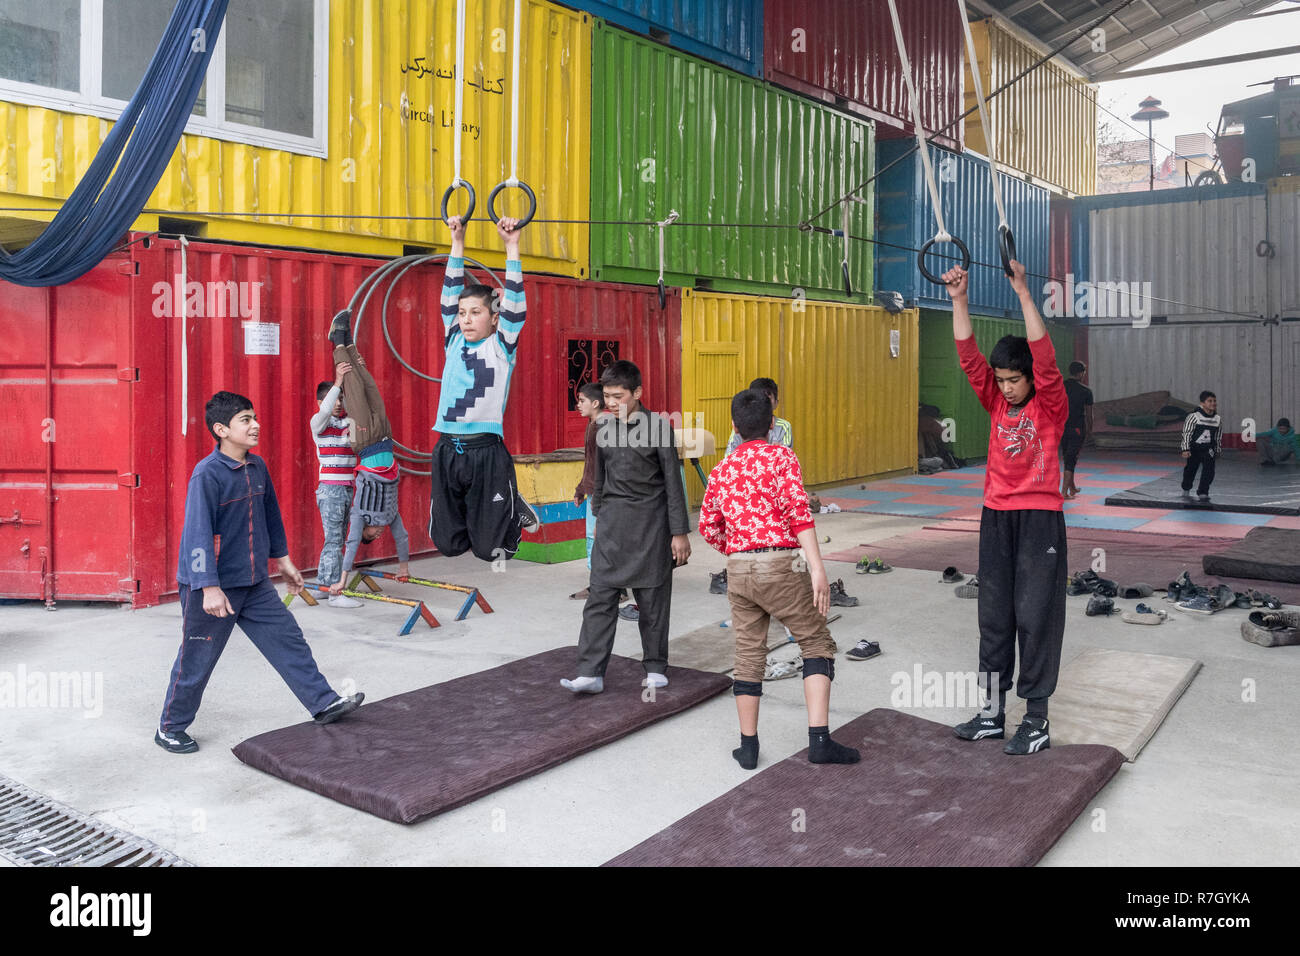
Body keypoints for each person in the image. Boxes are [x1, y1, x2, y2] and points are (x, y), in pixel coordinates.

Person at [156, 391, 364, 755]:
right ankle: (170, 728)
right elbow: (197, 536)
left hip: (254, 582)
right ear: (221, 430)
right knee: (197, 659)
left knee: (289, 640)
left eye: (254, 417)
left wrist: (282, 561)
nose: (256, 425)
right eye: (245, 420)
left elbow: (270, 516)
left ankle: (322, 702)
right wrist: (208, 588)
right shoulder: (207, 475)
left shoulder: (257, 467)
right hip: (213, 587)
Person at [943, 261, 1068, 756]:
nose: (1008, 387)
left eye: (1015, 379)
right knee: (994, 616)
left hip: (1040, 520)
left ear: (1030, 378)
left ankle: (1036, 718)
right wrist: (958, 300)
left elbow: (1044, 354)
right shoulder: (996, 402)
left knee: (1036, 615)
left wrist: (1022, 291)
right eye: (1002, 380)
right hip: (995, 516)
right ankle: (993, 714)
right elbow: (968, 356)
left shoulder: (1050, 403)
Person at [700, 388, 860, 770]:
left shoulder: (722, 470)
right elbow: (798, 512)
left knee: (749, 654)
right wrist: (818, 568)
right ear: (772, 425)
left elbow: (709, 526)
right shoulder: (782, 457)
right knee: (816, 641)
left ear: (734, 428)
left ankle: (748, 747)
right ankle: (819, 742)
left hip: (738, 569)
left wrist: (738, 549)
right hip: (782, 565)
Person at [560, 360, 691, 693]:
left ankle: (656, 666)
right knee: (600, 597)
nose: (612, 403)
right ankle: (590, 672)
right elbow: (599, 479)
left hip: (651, 525)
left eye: (618, 396)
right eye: (606, 396)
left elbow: (673, 484)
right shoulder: (602, 428)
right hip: (612, 526)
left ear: (638, 393)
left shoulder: (659, 427)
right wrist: (599, 515)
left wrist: (679, 533)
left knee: (652, 601)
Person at [427, 214, 540, 562]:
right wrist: (457, 241)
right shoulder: (453, 339)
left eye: (475, 313)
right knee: (447, 544)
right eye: (462, 313)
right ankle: (508, 501)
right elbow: (449, 292)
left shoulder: (501, 346)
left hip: (486, 451)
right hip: (447, 447)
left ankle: (510, 510)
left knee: (489, 551)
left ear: (493, 317)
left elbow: (516, 307)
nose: (465, 319)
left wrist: (512, 246)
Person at [318, 333, 412, 591]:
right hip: (385, 438)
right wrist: (404, 568)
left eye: (371, 536)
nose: (378, 535)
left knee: (355, 389)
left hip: (365, 441)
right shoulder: (390, 515)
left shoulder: (359, 515)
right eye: (376, 536)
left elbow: (350, 546)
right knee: (370, 387)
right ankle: (349, 343)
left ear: (365, 531)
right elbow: (402, 537)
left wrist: (342, 581)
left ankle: (337, 341)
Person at [310, 369, 361, 607]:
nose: (339, 403)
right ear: (322, 402)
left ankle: (323, 583)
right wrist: (338, 383)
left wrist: (350, 385)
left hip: (347, 487)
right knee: (333, 540)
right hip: (330, 489)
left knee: (337, 539)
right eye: (334, 399)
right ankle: (334, 592)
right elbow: (325, 411)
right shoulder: (318, 423)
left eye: (342, 399)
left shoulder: (348, 423)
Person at [570, 382, 608, 599]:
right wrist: (580, 489)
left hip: (602, 494)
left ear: (595, 403)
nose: (578, 405)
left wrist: (599, 495)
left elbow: (605, 467)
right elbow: (590, 464)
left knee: (597, 538)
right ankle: (601, 585)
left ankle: (606, 587)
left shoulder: (604, 427)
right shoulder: (592, 424)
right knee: (594, 538)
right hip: (594, 491)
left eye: (582, 401)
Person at [724, 377, 792, 456]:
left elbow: (786, 456)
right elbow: (729, 455)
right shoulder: (741, 424)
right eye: (758, 399)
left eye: (767, 400)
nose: (762, 403)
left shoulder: (784, 426)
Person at [1060, 361, 1093, 498]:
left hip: (1061, 427)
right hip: (1077, 428)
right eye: (1084, 373)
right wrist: (1090, 431)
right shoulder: (1086, 391)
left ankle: (1072, 488)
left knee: (1068, 456)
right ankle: (1063, 492)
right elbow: (1089, 415)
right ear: (1080, 373)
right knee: (1071, 459)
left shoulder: (1060, 387)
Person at [1180, 391, 1221, 501]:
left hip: (1209, 449)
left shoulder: (1217, 419)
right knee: (1191, 469)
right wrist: (1185, 449)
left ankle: (1203, 492)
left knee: (1209, 470)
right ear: (1202, 403)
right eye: (1210, 401)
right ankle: (1186, 488)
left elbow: (1218, 436)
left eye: (1214, 401)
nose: (1213, 403)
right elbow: (1186, 433)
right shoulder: (1193, 417)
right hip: (1194, 448)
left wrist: (1217, 449)